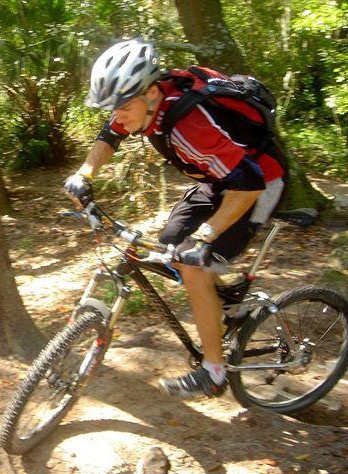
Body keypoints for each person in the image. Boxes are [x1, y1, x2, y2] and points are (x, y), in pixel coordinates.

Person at [64, 39, 286, 398]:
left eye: (120, 106)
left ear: (150, 92)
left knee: (193, 265)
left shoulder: (190, 128)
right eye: (111, 107)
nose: (116, 114)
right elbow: (110, 134)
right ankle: (229, 304)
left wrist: (207, 235)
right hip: (219, 178)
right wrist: (85, 173)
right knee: (169, 250)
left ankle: (214, 373)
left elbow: (249, 184)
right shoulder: (143, 105)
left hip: (260, 183)